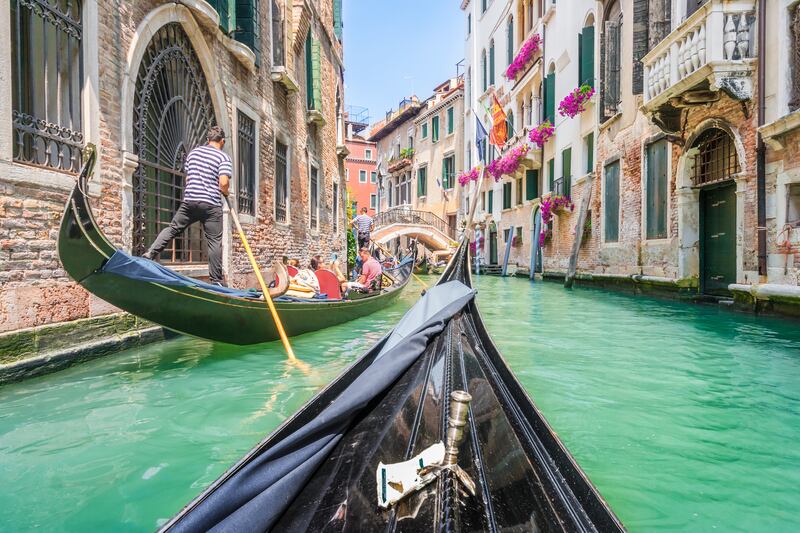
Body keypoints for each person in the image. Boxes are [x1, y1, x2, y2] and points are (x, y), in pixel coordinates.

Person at [142, 125, 232, 285]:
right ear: (222, 141)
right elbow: (223, 182)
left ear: (208, 140)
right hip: (211, 205)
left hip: (190, 201)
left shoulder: (193, 154)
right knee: (214, 242)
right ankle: (216, 281)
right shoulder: (223, 157)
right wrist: (225, 192)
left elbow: (188, 179)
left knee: (173, 228)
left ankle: (150, 253)